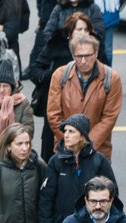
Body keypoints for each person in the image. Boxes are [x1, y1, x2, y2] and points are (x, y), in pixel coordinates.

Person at [37, 114, 115, 223]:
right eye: (65, 131)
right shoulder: (55, 162)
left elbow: (113, 195)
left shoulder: (99, 161)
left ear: (82, 136)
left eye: (71, 131)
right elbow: (46, 200)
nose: (66, 135)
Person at [46, 33, 121, 162]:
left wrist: (85, 145)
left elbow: (109, 117)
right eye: (79, 56)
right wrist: (70, 142)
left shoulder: (111, 78)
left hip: (98, 152)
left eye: (88, 56)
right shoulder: (60, 75)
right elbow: (53, 114)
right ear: (73, 56)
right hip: (66, 151)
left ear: (96, 54)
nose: (83, 61)